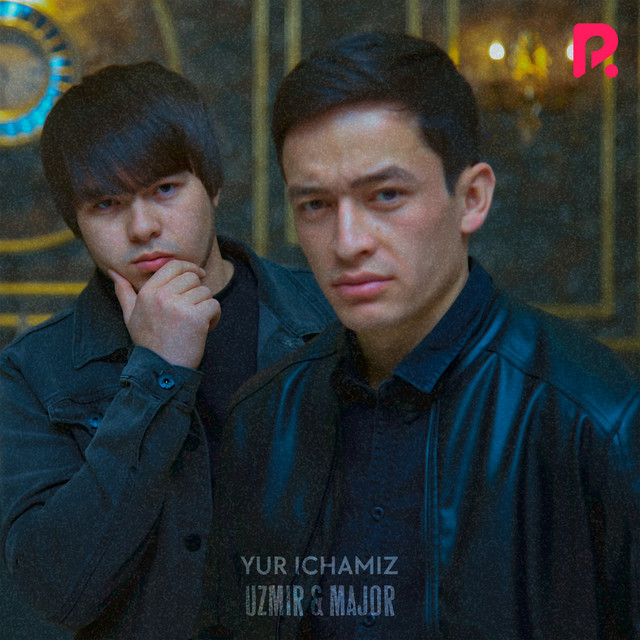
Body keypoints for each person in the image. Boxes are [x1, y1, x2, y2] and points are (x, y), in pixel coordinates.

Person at [204, 32, 640, 639]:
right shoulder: (264, 418)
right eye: (316, 205)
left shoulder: (594, 416)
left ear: (472, 198)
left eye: (386, 195)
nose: (347, 242)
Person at [0, 61, 334, 639]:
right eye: (106, 204)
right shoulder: (34, 371)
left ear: (213, 186)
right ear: (77, 222)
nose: (142, 227)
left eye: (165, 190)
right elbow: (59, 592)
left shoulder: (330, 318)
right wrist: (158, 373)